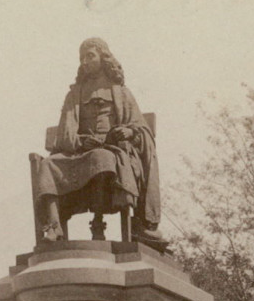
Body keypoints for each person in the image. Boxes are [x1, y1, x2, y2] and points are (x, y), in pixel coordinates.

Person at [31, 38, 169, 251]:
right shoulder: (74, 93)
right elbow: (66, 130)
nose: (85, 61)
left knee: (101, 158)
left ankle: (98, 226)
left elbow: (141, 127)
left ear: (103, 57)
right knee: (48, 165)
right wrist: (80, 141)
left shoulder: (121, 92)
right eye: (81, 58)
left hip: (111, 149)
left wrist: (129, 131)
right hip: (78, 150)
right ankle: (54, 225)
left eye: (90, 56)